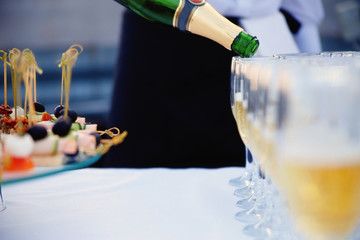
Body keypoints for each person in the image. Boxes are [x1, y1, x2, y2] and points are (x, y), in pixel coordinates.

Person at [103, 0, 324, 168]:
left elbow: (304, 9)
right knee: (139, 183)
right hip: (158, 41)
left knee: (257, 185)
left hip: (263, 41)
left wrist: (313, 70)